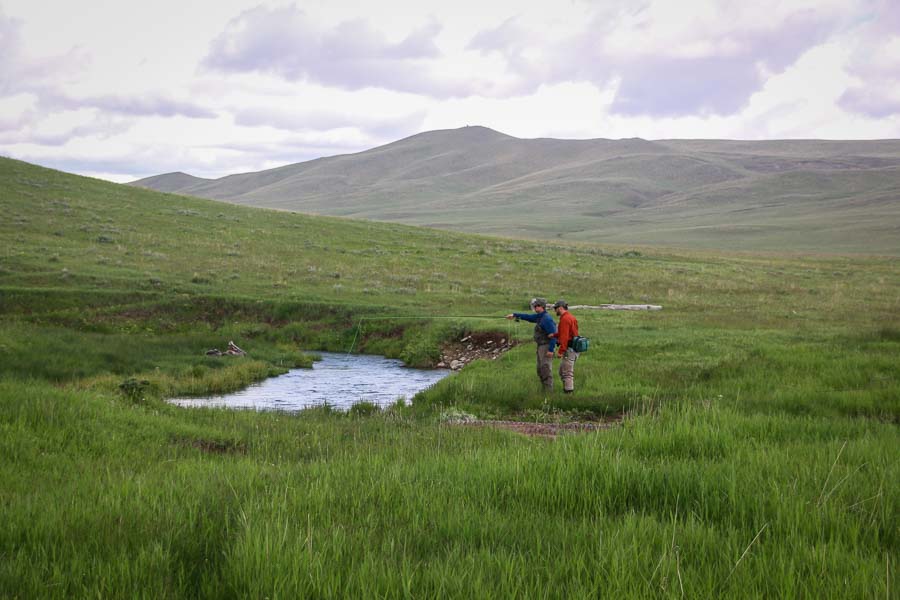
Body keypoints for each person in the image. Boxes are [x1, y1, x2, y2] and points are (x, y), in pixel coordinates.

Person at [506, 298, 557, 392]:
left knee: (545, 369)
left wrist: (550, 350)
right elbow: (528, 317)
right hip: (540, 346)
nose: (535, 307)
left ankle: (549, 393)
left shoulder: (547, 319)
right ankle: (544, 390)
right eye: (534, 306)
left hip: (546, 346)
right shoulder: (539, 316)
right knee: (540, 369)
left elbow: (554, 335)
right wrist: (514, 315)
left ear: (542, 307)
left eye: (537, 306)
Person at [551, 299, 579, 393]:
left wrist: (560, 351)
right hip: (574, 348)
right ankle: (567, 391)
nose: (555, 311)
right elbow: (570, 333)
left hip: (569, 350)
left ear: (560, 308)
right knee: (562, 371)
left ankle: (568, 394)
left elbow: (564, 337)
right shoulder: (571, 317)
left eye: (556, 308)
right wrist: (554, 335)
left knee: (567, 373)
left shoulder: (565, 319)